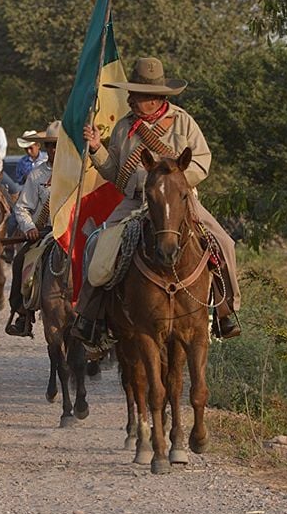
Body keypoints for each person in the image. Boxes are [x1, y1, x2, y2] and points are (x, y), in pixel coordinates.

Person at [71, 57, 242, 349]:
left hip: (179, 202)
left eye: (137, 96)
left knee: (223, 242)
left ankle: (226, 311)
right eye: (132, 95)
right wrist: (98, 149)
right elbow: (115, 172)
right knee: (99, 248)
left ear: (155, 98)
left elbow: (202, 162)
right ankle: (91, 317)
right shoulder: (125, 127)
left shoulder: (184, 121)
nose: (132, 100)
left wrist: (171, 184)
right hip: (134, 200)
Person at [4, 122, 60, 336]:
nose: (53, 150)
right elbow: (22, 208)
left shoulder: (78, 173)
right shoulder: (36, 175)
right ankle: (22, 313)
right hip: (44, 233)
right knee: (20, 262)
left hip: (71, 233)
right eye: (50, 146)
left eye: (57, 146)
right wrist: (29, 227)